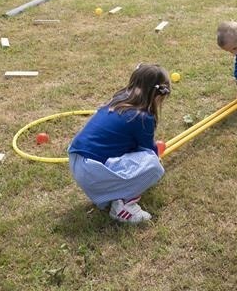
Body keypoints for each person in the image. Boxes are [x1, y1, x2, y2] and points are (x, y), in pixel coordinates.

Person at [68, 63, 170, 224]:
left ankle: (110, 190)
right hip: (91, 170)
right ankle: (123, 204)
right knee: (154, 167)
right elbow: (148, 151)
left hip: (77, 162)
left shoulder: (118, 101)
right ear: (157, 94)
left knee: (146, 160)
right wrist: (157, 153)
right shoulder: (143, 117)